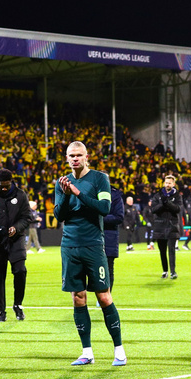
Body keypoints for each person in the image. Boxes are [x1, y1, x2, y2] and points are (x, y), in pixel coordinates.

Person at [55, 141, 127, 367]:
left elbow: (105, 208)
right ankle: (87, 352)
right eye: (71, 156)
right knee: (78, 298)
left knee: (104, 296)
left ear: (87, 157)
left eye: (78, 155)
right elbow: (59, 215)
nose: (74, 159)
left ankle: (119, 350)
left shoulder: (99, 178)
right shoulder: (62, 182)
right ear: (67, 158)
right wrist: (67, 195)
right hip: (69, 246)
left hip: (94, 245)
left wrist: (77, 192)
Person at [0, 169, 32, 322]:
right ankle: (0, 311)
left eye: (7, 185)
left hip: (16, 240)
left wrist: (16, 228)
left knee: (20, 271)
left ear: (11, 182)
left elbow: (27, 217)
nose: (4, 188)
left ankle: (18, 305)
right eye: (1, 186)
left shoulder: (20, 195)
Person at [150, 175, 182, 279]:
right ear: (164, 183)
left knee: (171, 250)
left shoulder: (177, 196)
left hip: (172, 226)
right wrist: (162, 204)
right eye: (166, 182)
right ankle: (165, 271)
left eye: (169, 183)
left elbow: (178, 209)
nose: (167, 184)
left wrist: (167, 202)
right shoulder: (157, 195)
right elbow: (153, 209)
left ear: (173, 184)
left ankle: (173, 272)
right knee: (162, 250)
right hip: (159, 226)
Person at [103, 186, 125, 291]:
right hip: (91, 236)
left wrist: (100, 218)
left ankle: (106, 295)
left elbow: (119, 217)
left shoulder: (116, 196)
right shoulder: (90, 193)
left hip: (109, 237)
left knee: (108, 268)